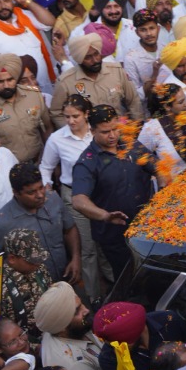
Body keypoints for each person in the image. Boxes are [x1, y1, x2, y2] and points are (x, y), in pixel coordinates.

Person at [70, 106, 156, 274]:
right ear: (92, 131)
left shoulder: (131, 145)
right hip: (116, 237)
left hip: (146, 227)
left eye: (115, 129)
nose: (113, 136)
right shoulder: (87, 162)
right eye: (105, 132)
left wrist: (163, 179)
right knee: (128, 276)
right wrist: (105, 215)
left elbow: (157, 167)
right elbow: (78, 200)